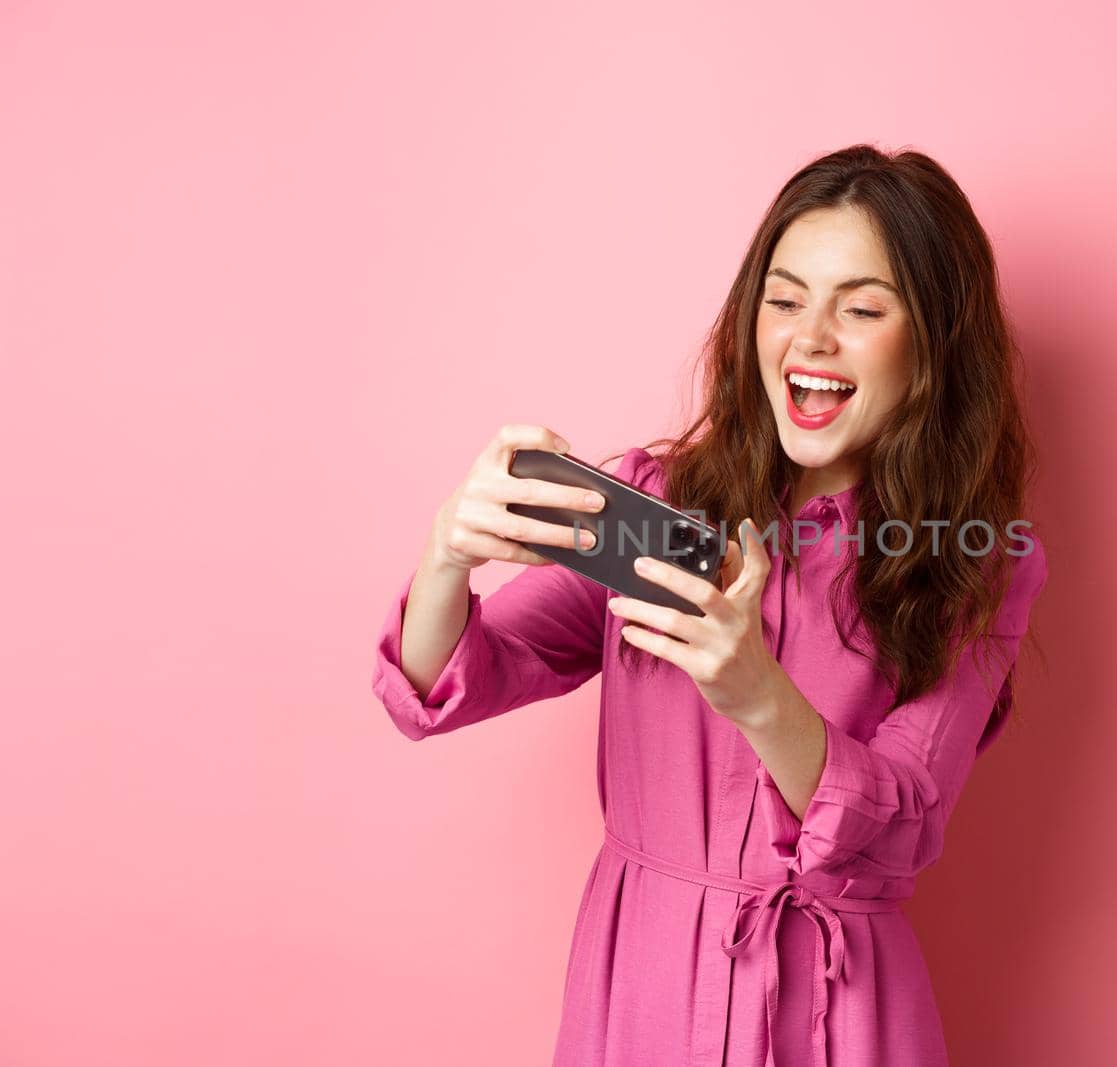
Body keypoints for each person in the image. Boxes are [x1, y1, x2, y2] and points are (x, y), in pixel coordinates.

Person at [371, 143, 1049, 1067]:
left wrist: (756, 690)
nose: (811, 337)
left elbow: (903, 824)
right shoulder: (662, 506)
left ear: (933, 340)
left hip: (836, 1015)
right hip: (640, 993)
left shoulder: (979, 567)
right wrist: (450, 552)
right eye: (784, 299)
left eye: (861, 307)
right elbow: (445, 682)